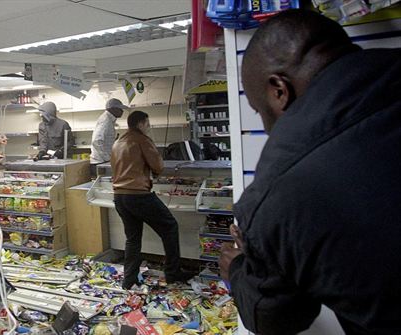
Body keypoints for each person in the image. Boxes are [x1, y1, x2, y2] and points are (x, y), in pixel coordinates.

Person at [219, 9, 401, 335]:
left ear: (279, 90)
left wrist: (238, 268)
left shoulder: (277, 192)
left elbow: (276, 317)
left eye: (260, 111)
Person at [111, 111, 185, 289]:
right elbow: (158, 166)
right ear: (141, 123)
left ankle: (129, 280)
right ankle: (173, 274)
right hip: (139, 195)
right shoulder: (142, 139)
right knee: (170, 226)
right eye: (147, 123)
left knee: (133, 239)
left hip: (120, 196)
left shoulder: (117, 142)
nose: (149, 126)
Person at [89, 98, 128, 175]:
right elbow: (96, 141)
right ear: (113, 109)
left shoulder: (109, 120)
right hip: (100, 163)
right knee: (104, 185)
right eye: (120, 109)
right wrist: (108, 159)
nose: (122, 111)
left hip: (101, 162)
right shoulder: (106, 121)